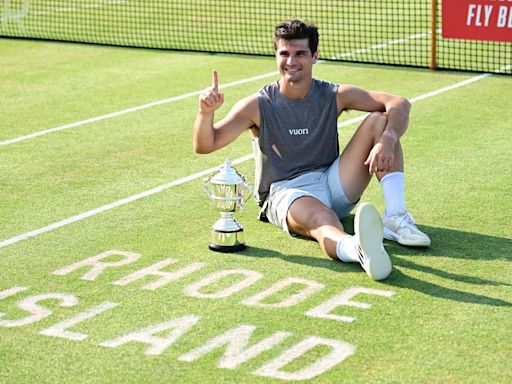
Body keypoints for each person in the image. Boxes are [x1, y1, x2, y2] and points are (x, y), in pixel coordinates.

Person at [193, 19, 430, 280]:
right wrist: (205, 114)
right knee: (322, 218)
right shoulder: (258, 105)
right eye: (284, 53)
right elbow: (206, 144)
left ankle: (395, 217)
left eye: (300, 54)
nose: (291, 61)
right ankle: (356, 249)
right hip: (287, 192)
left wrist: (389, 138)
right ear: (276, 55)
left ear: (315, 56)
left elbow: (399, 103)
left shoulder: (333, 94)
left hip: (333, 181)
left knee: (380, 121)